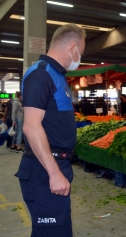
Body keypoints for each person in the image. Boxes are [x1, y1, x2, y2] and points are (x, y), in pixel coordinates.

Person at [14, 24, 86, 237]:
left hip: (56, 165)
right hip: (44, 169)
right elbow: (30, 125)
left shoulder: (57, 75)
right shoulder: (41, 74)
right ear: (72, 47)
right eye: (80, 51)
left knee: (57, 231)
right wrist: (54, 173)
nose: (80, 56)